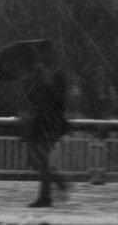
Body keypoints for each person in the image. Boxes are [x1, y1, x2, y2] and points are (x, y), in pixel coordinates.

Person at [20, 53, 70, 208]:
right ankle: (57, 184)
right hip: (40, 125)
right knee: (38, 160)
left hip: (50, 125)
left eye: (41, 66)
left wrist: (48, 84)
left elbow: (58, 103)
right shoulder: (37, 81)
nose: (38, 69)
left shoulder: (58, 80)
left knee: (41, 160)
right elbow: (31, 98)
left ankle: (46, 196)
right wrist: (32, 82)